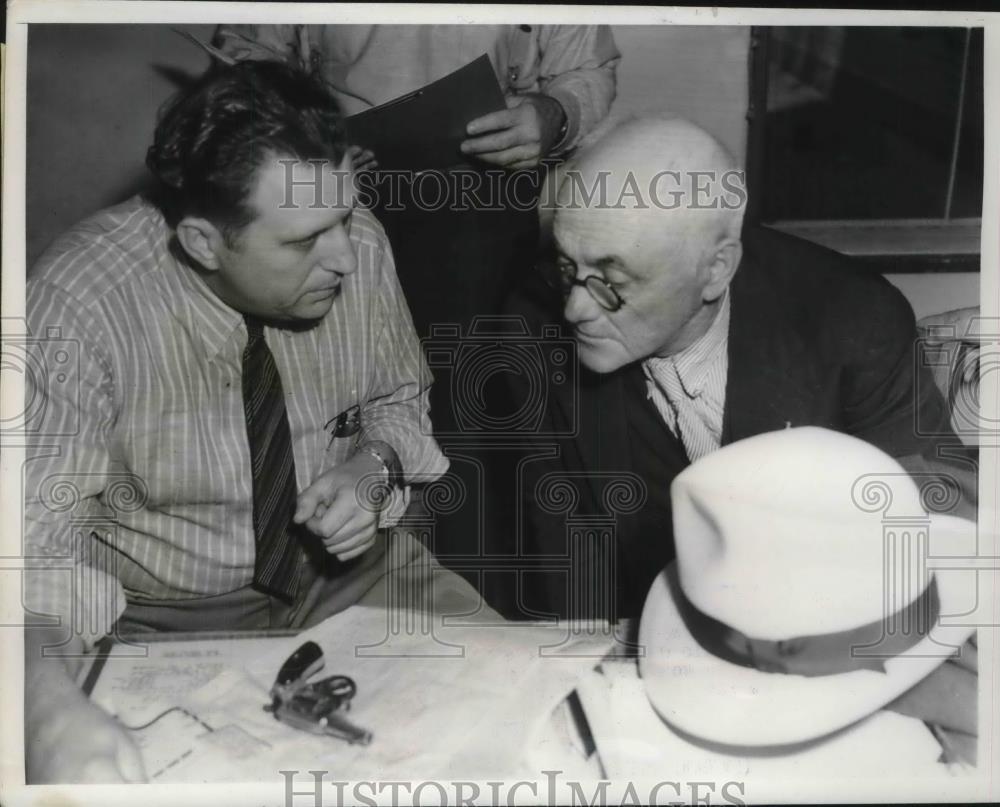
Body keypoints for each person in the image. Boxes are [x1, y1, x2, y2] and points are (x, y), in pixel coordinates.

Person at [23, 60, 449, 783]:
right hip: (162, 616)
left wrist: (372, 466)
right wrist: (42, 709)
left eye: (345, 215)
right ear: (201, 243)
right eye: (304, 240)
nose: (348, 254)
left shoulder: (357, 242)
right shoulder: (76, 304)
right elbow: (30, 556)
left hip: (355, 576)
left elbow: (399, 402)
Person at [509, 116, 977, 622]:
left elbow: (939, 529)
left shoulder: (856, 319)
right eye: (566, 268)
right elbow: (570, 572)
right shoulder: (531, 331)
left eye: (610, 279)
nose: (575, 308)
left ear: (715, 270)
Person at [211, 26, 621, 595]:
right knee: (335, 413)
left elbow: (589, 67)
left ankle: (486, 614)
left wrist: (555, 113)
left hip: (485, 203)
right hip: (336, 191)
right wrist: (298, 131)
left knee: (492, 431)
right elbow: (243, 48)